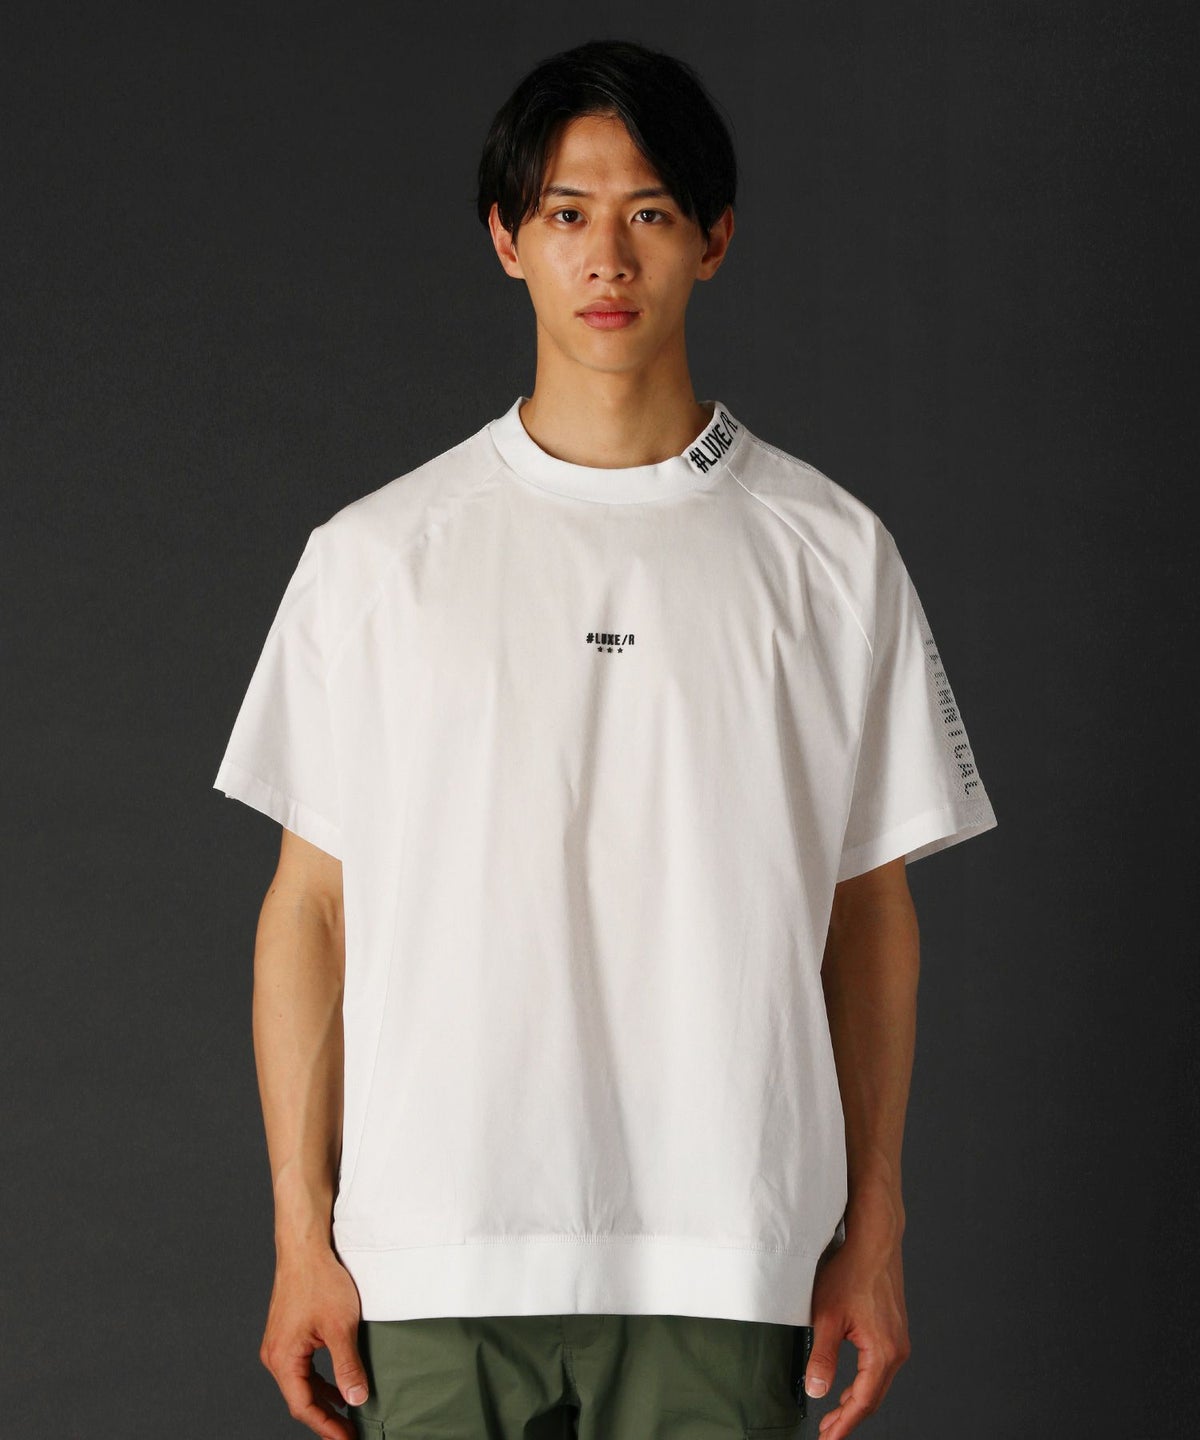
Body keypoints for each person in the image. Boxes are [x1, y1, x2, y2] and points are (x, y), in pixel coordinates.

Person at [213, 37, 997, 1440]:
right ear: (506, 239)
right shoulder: (377, 557)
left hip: (730, 1252)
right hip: (431, 1254)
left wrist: (875, 1224)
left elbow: (869, 910)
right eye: (567, 213)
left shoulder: (832, 555)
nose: (609, 258)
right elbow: (310, 910)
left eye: (650, 213)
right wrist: (297, 1233)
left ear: (714, 239)